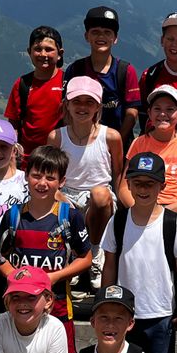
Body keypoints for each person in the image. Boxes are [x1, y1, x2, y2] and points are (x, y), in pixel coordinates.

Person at [100, 152, 177, 353]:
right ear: (128, 184)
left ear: (161, 186)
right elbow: (110, 264)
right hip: (125, 312)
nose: (143, 189)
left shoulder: (172, 223)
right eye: (138, 183)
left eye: (150, 184)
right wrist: (105, 303)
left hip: (160, 313)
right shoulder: (118, 221)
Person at [0, 145, 92, 353]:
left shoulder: (70, 217)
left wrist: (55, 277)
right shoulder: (13, 216)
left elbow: (85, 258)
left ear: (62, 182)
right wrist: (19, 278)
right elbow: (0, 258)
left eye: (50, 178)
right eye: (36, 176)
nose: (42, 183)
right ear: (26, 176)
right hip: (19, 303)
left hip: (57, 303)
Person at [50, 75, 122, 288]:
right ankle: (74, 256)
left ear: (98, 106)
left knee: (100, 195)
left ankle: (94, 252)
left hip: (99, 196)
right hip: (67, 193)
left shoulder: (111, 137)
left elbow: (117, 173)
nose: (83, 107)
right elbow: (52, 173)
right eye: (77, 101)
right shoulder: (56, 137)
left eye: (89, 102)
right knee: (55, 195)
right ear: (67, 105)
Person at [63, 6, 140, 149]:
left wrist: (116, 143)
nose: (101, 37)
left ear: (115, 38)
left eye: (107, 32)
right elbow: (65, 107)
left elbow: (132, 112)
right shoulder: (75, 70)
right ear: (87, 36)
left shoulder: (126, 71)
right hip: (80, 144)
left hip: (118, 145)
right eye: (95, 32)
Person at [120, 84, 177, 216]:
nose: (163, 114)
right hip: (140, 207)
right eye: (157, 109)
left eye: (170, 109)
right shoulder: (139, 143)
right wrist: (138, 209)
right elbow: (124, 187)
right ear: (149, 113)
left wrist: (170, 211)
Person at [4, 24, 66, 157]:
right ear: (29, 52)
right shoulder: (22, 84)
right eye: (38, 49)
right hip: (27, 160)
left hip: (58, 158)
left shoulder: (67, 83)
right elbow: (14, 123)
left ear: (60, 54)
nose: (43, 54)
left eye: (49, 49)